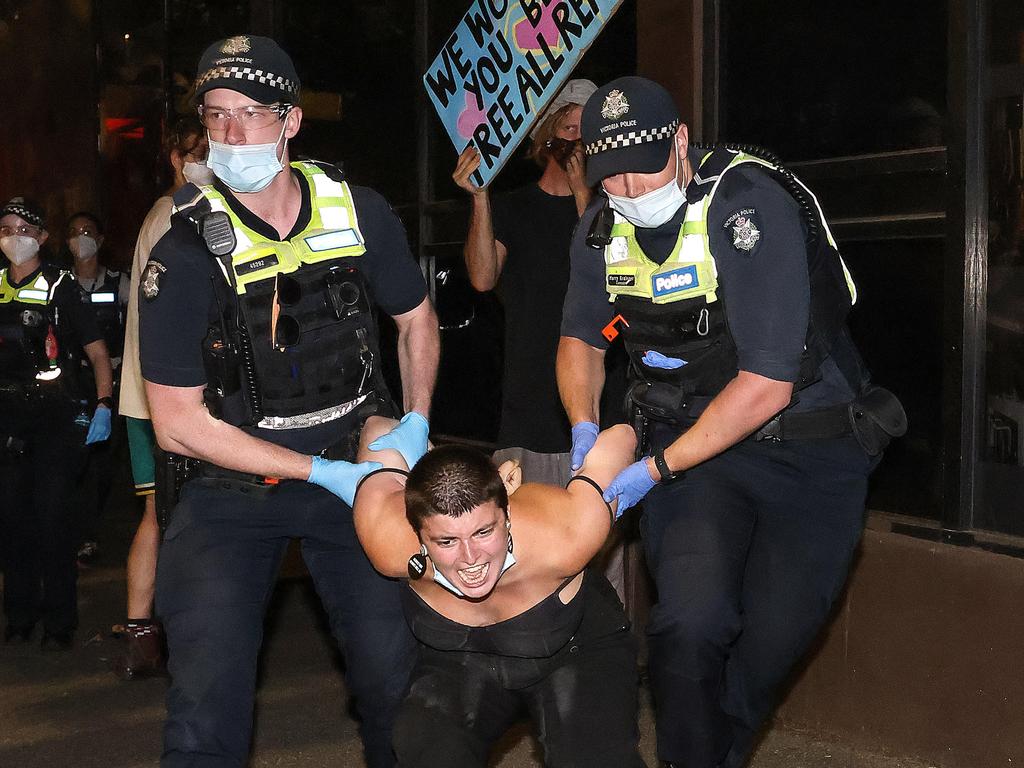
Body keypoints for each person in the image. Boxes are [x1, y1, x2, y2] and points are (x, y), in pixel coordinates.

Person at [558, 77, 903, 768]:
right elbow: (580, 341)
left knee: (771, 642)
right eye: (609, 172)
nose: (627, 186)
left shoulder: (745, 205)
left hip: (808, 445)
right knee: (689, 625)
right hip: (695, 453)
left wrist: (650, 471)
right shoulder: (601, 228)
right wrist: (583, 429)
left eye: (644, 164)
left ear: (681, 141)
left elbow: (766, 386)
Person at [138, 35, 439, 768]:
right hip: (230, 484)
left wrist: (417, 420)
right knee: (205, 712)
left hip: (355, 471)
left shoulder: (360, 211)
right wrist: (313, 473)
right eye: (217, 116)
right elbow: (176, 427)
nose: (233, 135)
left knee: (398, 684)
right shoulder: (181, 252)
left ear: (292, 121)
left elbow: (416, 321)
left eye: (251, 114)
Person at [351, 416, 644, 768]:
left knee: (592, 759)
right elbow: (378, 427)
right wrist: (417, 430)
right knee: (426, 744)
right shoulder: (387, 541)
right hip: (458, 661)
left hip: (576, 650)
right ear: (418, 535)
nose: (470, 558)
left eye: (483, 532)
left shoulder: (564, 535)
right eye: (446, 541)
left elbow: (621, 436)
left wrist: (592, 435)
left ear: (505, 515)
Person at [452, 79, 595, 484]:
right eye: (570, 130)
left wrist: (584, 196)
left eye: (590, 132)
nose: (580, 142)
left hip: (597, 407)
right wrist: (480, 197)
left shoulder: (610, 208)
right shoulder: (513, 208)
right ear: (547, 137)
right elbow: (482, 279)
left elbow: (601, 278)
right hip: (529, 411)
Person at [113, 115, 210, 678]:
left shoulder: (170, 212)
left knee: (160, 513)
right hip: (165, 399)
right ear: (175, 158)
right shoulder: (177, 213)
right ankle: (162, 632)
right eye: (195, 150)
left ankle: (144, 635)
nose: (207, 157)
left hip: (150, 397)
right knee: (173, 513)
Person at [0, 196, 114, 650]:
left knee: (52, 519)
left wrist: (103, 403)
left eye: (22, 230)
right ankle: (20, 615)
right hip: (8, 420)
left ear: (43, 238)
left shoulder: (60, 287)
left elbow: (97, 352)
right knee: (13, 520)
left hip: (55, 418)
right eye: (5, 228)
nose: (12, 237)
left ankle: (59, 622)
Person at [66, 211, 130, 566]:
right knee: (75, 459)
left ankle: (90, 530)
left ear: (101, 239)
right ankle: (78, 532)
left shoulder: (118, 283)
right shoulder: (61, 287)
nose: (81, 238)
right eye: (74, 233)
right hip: (75, 384)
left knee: (103, 463)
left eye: (88, 231)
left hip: (113, 384)